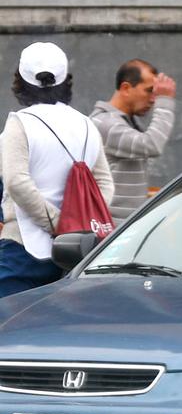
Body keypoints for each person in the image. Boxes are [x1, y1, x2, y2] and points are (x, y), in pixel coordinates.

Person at [0, 42, 114, 297]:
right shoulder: (86, 123)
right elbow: (104, 184)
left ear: (19, 80)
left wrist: (58, 224)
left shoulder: (20, 123)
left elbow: (17, 182)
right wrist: (77, 226)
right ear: (65, 79)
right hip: (78, 251)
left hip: (23, 247)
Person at [90, 58, 176, 221]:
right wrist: (165, 101)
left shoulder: (125, 122)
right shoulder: (105, 123)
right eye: (149, 91)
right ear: (126, 88)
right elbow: (151, 145)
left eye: (156, 94)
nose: (153, 99)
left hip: (122, 227)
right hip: (109, 230)